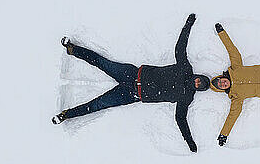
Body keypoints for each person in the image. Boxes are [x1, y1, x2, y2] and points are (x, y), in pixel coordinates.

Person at [52, 14, 210, 153]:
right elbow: (180, 49)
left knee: (98, 104)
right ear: (198, 75)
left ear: (199, 89)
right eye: (199, 79)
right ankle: (72, 49)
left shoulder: (187, 97)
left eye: (199, 85)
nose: (197, 82)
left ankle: (66, 115)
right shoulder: (185, 68)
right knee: (102, 62)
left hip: (132, 94)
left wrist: (189, 141)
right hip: (133, 74)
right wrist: (188, 25)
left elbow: (180, 118)